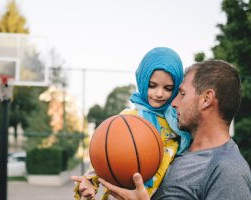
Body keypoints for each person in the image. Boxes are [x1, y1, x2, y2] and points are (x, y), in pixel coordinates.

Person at [98, 60, 251, 200]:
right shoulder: (175, 147)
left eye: (182, 93)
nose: (173, 102)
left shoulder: (228, 170)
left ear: (206, 99)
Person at [71, 47, 192, 199]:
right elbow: (106, 154)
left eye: (168, 88)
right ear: (142, 81)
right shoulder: (128, 119)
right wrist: (90, 180)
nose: (159, 93)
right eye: (152, 85)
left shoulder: (179, 120)